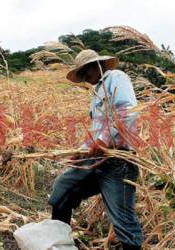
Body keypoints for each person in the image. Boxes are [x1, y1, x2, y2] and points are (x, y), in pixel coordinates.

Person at [48, 50, 143, 250]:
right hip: (96, 159)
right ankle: (59, 243)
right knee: (62, 191)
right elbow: (97, 130)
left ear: (96, 66)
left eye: (86, 73)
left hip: (118, 161)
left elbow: (126, 111)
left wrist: (102, 141)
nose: (85, 78)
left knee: (122, 218)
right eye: (81, 75)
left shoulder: (116, 78)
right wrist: (81, 151)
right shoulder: (97, 91)